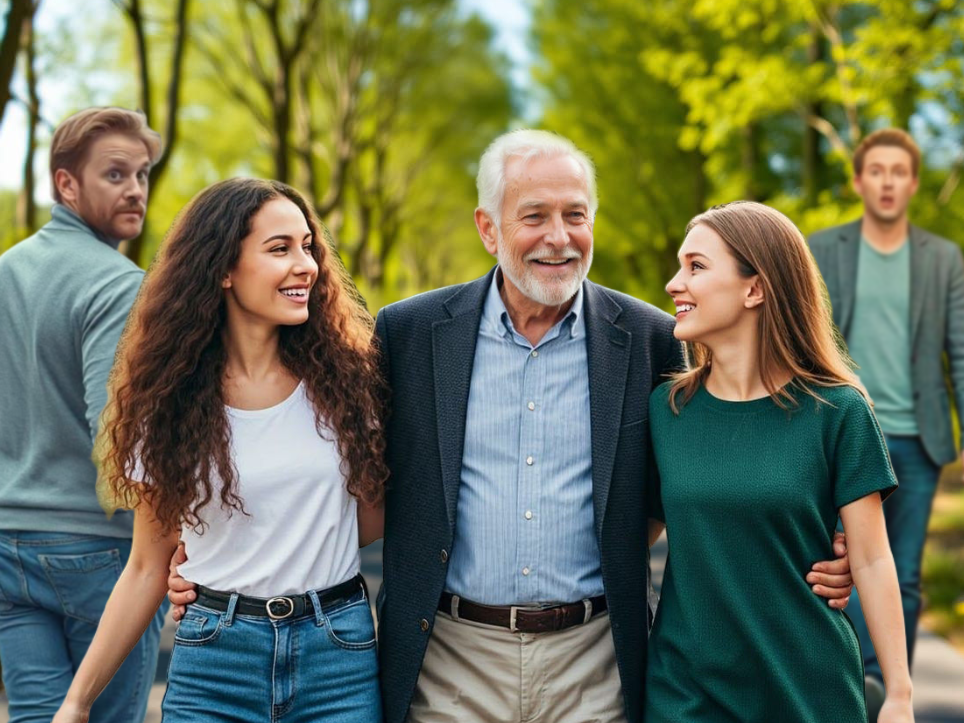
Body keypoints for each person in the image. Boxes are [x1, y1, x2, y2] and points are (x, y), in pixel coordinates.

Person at [169, 130, 854, 723]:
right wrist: (214, 550)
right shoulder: (409, 334)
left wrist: (826, 525)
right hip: (451, 658)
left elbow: (717, 454)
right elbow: (317, 449)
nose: (559, 237)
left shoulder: (647, 338)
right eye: (535, 216)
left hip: (594, 659)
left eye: (576, 215)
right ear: (488, 228)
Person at [51, 177, 388, 723]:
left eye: (308, 246)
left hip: (337, 655)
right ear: (223, 269)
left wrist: (279, 537)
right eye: (280, 249)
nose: (306, 265)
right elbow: (145, 566)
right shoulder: (167, 404)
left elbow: (370, 522)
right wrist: (77, 701)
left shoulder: (351, 384)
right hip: (215, 659)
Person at [646, 201, 914, 722]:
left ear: (755, 287)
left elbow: (873, 559)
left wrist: (899, 695)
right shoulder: (666, 410)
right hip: (685, 692)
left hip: (808, 689)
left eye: (696, 267)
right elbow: (637, 534)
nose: (674, 284)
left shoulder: (838, 410)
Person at [0, 107, 168, 723]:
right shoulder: (116, 284)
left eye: (143, 175)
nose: (135, 190)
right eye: (115, 174)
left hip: (6, 542)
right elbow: (117, 435)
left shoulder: (5, 272)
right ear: (65, 184)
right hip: (93, 553)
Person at [809, 128, 964, 711]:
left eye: (899, 171)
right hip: (840, 436)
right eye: (877, 170)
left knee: (903, 575)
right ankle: (844, 677)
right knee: (839, 566)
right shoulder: (823, 250)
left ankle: (886, 690)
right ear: (859, 181)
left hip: (916, 437)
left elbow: (961, 349)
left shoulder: (943, 260)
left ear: (914, 182)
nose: (888, 181)